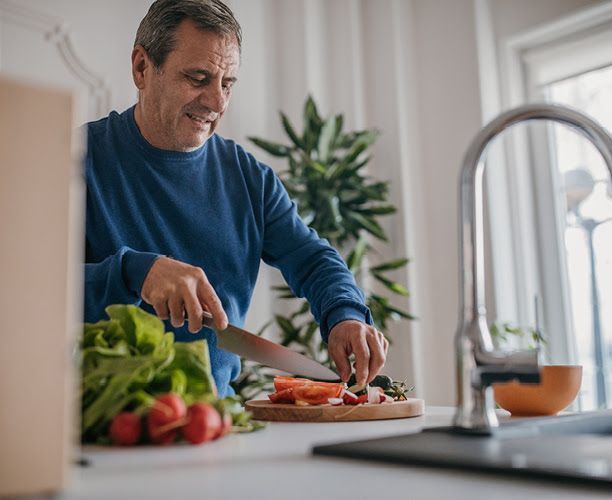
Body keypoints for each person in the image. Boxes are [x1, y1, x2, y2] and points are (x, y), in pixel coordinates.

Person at [84, 0, 388, 397]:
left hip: (212, 424)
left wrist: (345, 315)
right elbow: (21, 290)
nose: (217, 102)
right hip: (92, 426)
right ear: (142, 67)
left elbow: (312, 259)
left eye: (227, 84)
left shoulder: (250, 179)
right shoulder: (71, 160)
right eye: (197, 78)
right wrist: (132, 273)